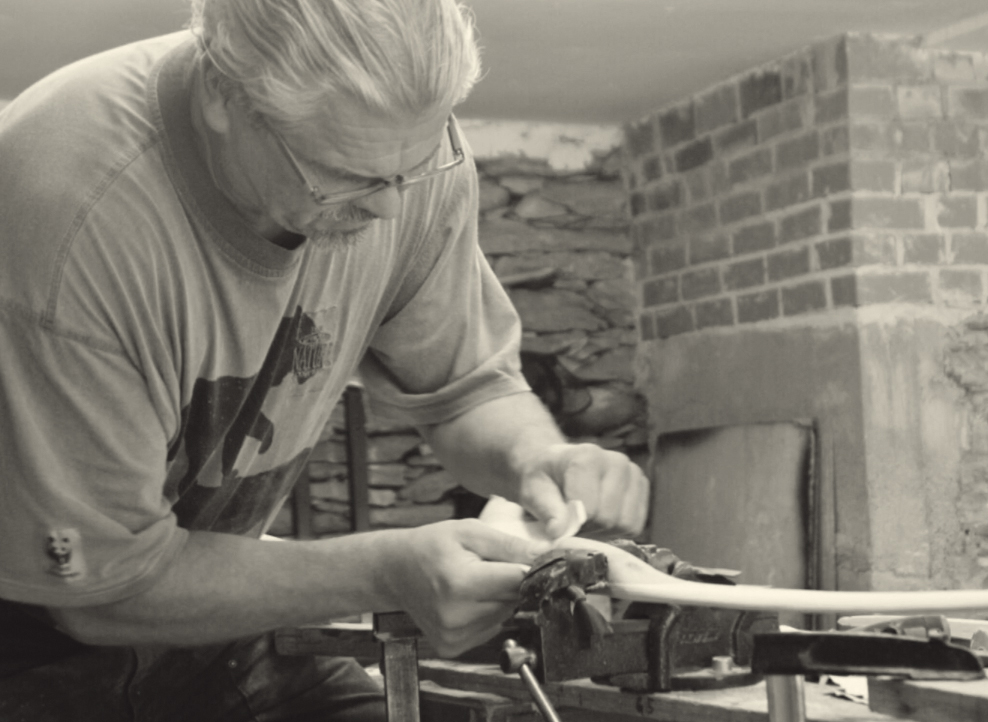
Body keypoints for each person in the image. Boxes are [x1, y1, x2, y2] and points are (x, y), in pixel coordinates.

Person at [0, 0, 650, 719]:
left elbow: (464, 389)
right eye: (346, 176)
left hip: (212, 619)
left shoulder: (395, 153)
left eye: (415, 166)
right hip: (30, 639)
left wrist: (537, 461)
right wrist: (382, 571)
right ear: (222, 94)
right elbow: (101, 591)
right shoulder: (64, 213)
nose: (390, 211)